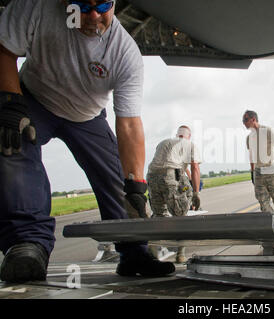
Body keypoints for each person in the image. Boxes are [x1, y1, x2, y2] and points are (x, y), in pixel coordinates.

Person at [0, 0, 175, 283]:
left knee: (118, 183)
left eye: (103, 6)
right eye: (83, 5)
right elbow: (4, 49)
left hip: (87, 114)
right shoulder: (36, 6)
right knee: (10, 146)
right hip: (33, 99)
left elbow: (129, 123)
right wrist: (9, 103)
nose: (93, 15)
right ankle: (27, 245)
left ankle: (134, 253)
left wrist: (135, 184)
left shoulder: (124, 52)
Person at [147, 125, 202, 263]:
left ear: (178, 134)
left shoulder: (164, 142)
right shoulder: (190, 144)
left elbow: (181, 169)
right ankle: (180, 254)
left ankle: (153, 252)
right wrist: (196, 192)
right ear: (188, 136)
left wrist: (186, 185)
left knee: (159, 215)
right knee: (180, 217)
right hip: (170, 178)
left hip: (152, 177)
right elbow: (194, 167)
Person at [243, 110, 274, 213]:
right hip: (258, 172)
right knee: (263, 203)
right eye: (243, 120)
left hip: (272, 170)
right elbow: (251, 156)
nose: (244, 123)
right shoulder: (249, 138)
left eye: (245, 120)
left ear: (253, 119)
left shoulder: (267, 131)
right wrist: (252, 172)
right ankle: (271, 225)